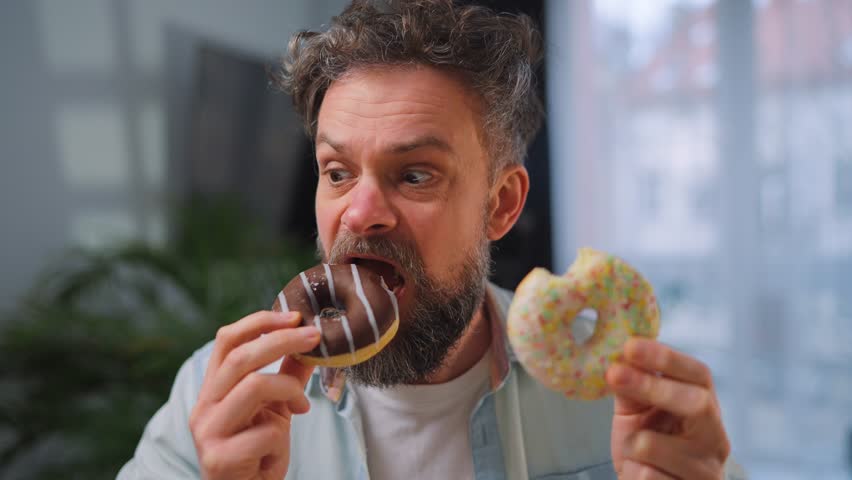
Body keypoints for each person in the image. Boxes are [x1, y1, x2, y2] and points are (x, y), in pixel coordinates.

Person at [119, 1, 744, 479]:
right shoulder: (215, 394)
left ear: (500, 205)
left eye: (415, 174)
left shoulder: (620, 399)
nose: (360, 213)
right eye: (337, 172)